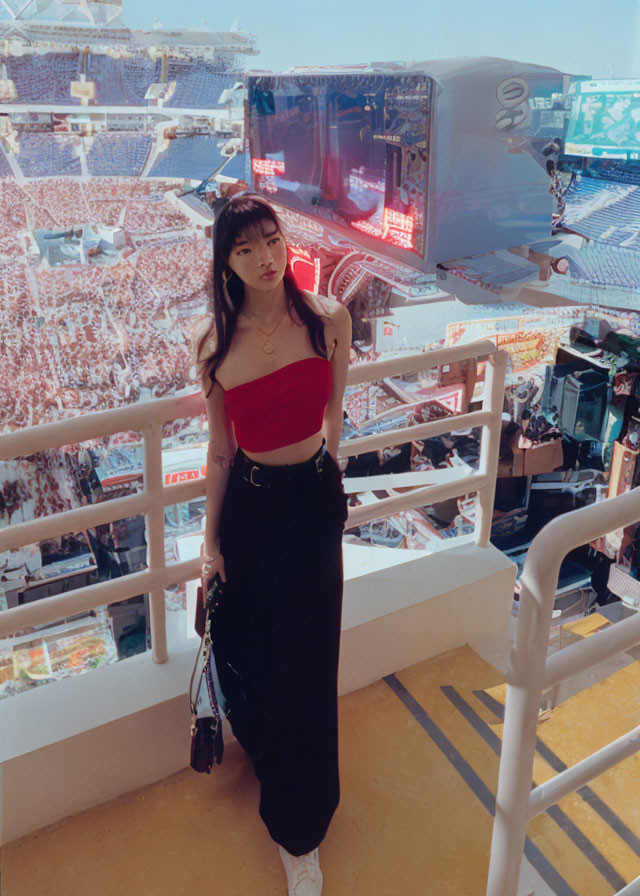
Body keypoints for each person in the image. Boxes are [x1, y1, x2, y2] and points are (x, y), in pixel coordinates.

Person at [193, 191, 351, 896]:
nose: (264, 258)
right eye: (244, 247)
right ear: (226, 261)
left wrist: (329, 482)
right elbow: (221, 453)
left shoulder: (328, 320)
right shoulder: (213, 348)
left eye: (271, 240)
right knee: (262, 656)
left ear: (286, 242)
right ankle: (272, 760)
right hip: (252, 515)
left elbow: (335, 412)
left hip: (312, 505)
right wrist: (208, 545)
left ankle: (300, 830)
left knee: (312, 666)